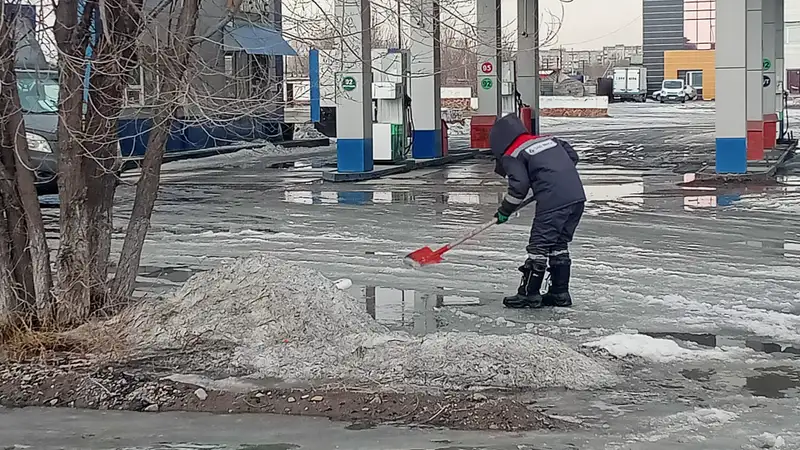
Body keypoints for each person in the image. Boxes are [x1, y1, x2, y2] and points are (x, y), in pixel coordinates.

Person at [489, 114, 586, 309]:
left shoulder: (513, 153)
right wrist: (555, 177)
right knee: (558, 243)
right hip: (576, 197)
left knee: (538, 247)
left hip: (553, 201)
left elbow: (519, 187)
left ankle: (529, 294)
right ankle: (559, 293)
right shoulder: (550, 140)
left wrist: (504, 210)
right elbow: (573, 156)